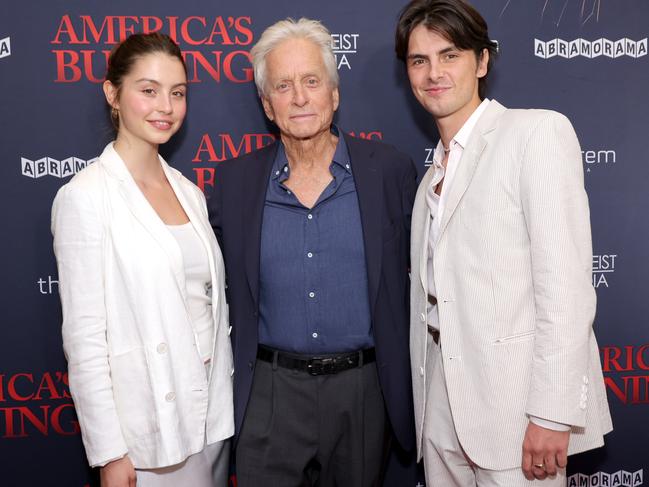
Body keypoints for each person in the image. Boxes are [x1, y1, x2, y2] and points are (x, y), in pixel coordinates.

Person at [395, 0, 613, 485]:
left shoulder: (534, 133)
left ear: (483, 61)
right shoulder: (431, 175)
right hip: (440, 403)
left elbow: (566, 287)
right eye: (419, 60)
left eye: (449, 55)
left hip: (515, 409)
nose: (434, 73)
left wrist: (553, 414)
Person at [207, 17, 417, 487]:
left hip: (363, 391)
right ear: (266, 104)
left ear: (334, 94)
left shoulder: (391, 173)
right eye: (283, 85)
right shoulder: (234, 182)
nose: (299, 97)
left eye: (311, 81)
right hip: (269, 393)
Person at [51, 32, 233, 487]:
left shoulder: (189, 192)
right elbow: (85, 337)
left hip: (209, 420)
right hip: (146, 434)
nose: (165, 107)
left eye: (177, 93)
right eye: (148, 90)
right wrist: (111, 453)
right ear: (113, 93)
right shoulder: (85, 198)